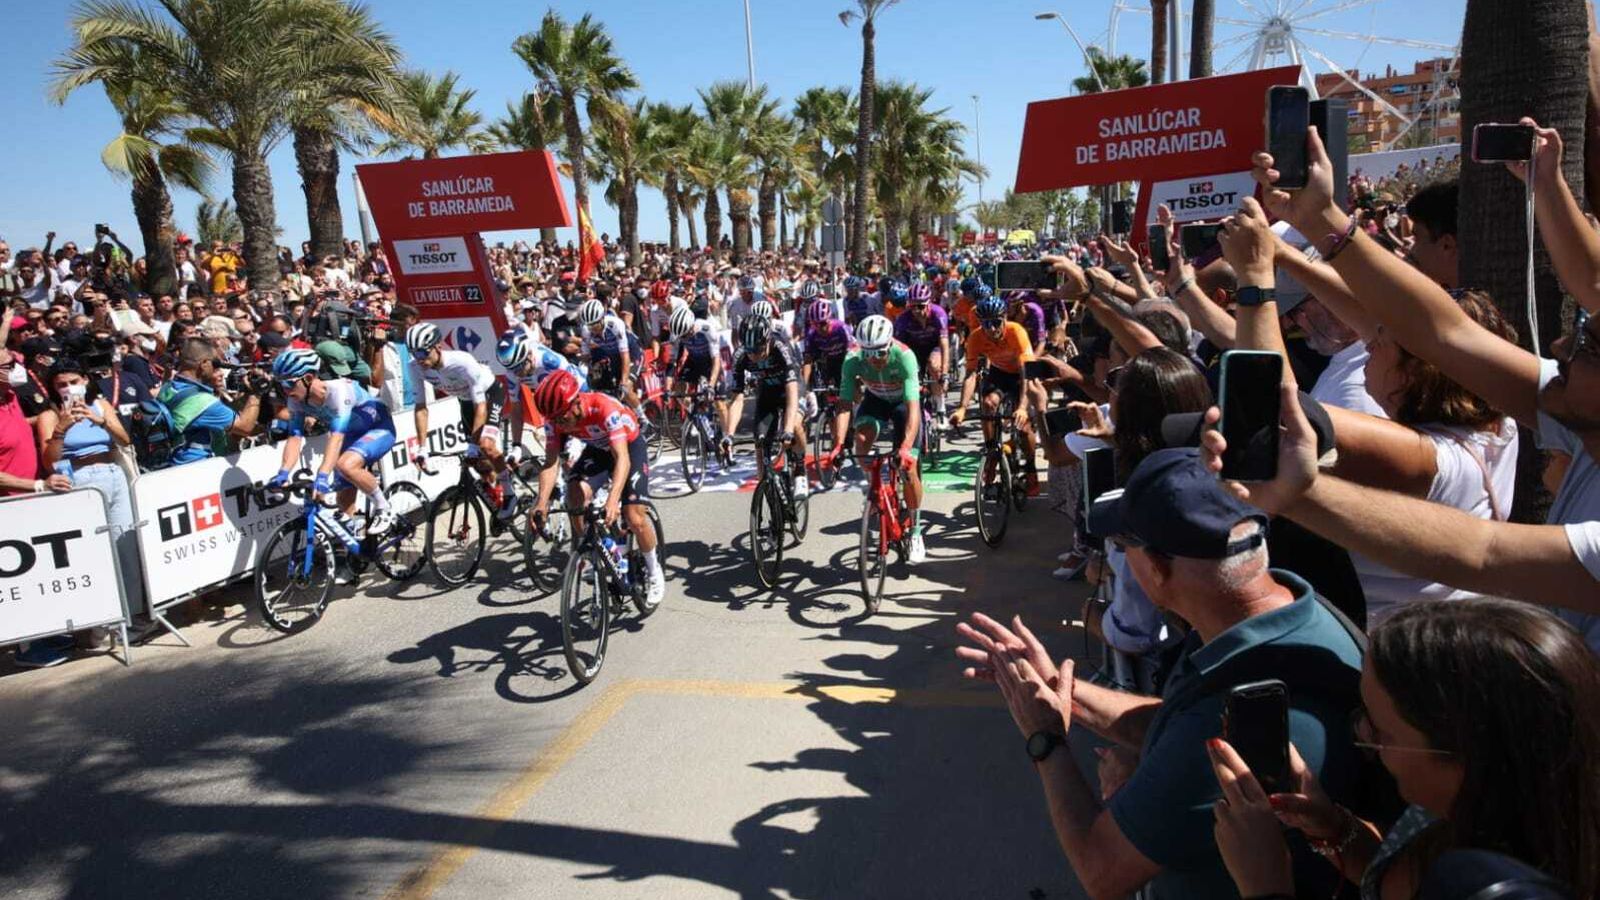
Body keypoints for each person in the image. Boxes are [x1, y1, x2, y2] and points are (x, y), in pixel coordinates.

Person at [955, 448, 1366, 899]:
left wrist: (1046, 739)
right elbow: (1180, 720)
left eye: (1122, 547)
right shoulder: (1281, 614)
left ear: (1156, 568)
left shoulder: (1224, 712)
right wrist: (1062, 690)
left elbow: (1101, 869)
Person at [1251, 124, 1600, 644]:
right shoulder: (1575, 409)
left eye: (1590, 347)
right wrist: (1321, 220)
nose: (1560, 347)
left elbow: (1482, 551)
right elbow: (1444, 332)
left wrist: (1302, 493)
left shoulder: (1438, 454)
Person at [1207, 598, 1600, 900]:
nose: (1363, 739)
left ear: (1465, 759)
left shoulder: (1496, 891)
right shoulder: (1450, 816)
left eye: (1381, 730)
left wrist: (1265, 884)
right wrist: (1332, 828)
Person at [528, 369, 663, 607]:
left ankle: (654, 571)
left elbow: (622, 459)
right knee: (574, 494)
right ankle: (596, 550)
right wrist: (541, 503)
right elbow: (550, 463)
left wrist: (613, 500)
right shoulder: (554, 419)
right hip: (598, 450)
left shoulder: (603, 408)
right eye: (554, 419)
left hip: (629, 448)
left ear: (576, 402)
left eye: (562, 418)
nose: (559, 424)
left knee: (633, 516)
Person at [824, 315, 927, 563]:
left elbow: (913, 408)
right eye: (868, 353)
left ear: (890, 344)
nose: (874, 359)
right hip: (876, 401)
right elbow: (845, 405)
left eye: (880, 353)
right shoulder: (852, 359)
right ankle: (874, 485)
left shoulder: (905, 357)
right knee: (860, 438)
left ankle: (915, 531)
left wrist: (905, 448)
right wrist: (838, 444)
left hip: (903, 404)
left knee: (909, 469)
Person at [267, 349, 399, 535]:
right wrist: (283, 472)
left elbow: (336, 437)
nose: (285, 391)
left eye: (289, 384)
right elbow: (295, 438)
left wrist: (322, 476)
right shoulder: (296, 400)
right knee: (344, 505)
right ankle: (361, 543)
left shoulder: (338, 392)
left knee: (345, 465)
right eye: (281, 385)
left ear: (308, 378)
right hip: (351, 435)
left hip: (378, 427)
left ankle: (384, 507)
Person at [404, 322, 515, 519]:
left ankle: (509, 493)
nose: (419, 359)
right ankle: (496, 491)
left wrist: (474, 444)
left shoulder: (461, 362)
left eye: (422, 352)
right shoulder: (415, 368)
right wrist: (421, 448)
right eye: (413, 353)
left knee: (485, 445)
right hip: (465, 401)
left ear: (438, 346)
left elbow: (480, 405)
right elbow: (421, 408)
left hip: (489, 395)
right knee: (478, 463)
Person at [949, 294, 1039, 491]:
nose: (991, 329)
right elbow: (971, 375)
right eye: (986, 324)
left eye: (996, 322)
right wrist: (962, 408)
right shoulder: (976, 338)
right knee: (988, 404)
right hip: (1000, 373)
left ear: (1005, 318)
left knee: (1024, 428)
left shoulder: (1017, 332)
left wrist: (1022, 408)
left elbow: (1027, 374)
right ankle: (992, 453)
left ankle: (1031, 468)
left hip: (1023, 375)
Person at [723, 316, 808, 497]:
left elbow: (792, 390)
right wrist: (729, 435)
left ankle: (800, 470)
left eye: (758, 350)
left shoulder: (780, 348)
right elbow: (737, 398)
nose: (754, 356)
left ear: (768, 341)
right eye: (749, 351)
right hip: (768, 393)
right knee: (760, 442)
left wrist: (787, 430)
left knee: (794, 425)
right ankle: (769, 493)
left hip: (791, 388)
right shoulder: (740, 356)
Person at [155, 337, 262, 465]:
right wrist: (256, 391)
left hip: (173, 463)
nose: (218, 370)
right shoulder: (202, 402)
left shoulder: (168, 387)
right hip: (196, 467)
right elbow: (245, 427)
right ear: (204, 364)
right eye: (216, 364)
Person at [892, 282, 949, 416]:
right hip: (913, 348)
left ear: (929, 303)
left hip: (934, 346)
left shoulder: (938, 314)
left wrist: (945, 374)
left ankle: (941, 408)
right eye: (912, 306)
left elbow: (944, 344)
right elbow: (898, 348)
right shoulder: (903, 319)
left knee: (933, 365)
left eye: (921, 306)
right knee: (912, 372)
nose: (916, 311)